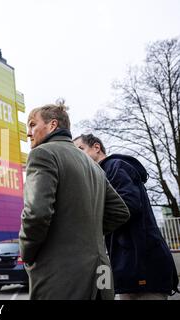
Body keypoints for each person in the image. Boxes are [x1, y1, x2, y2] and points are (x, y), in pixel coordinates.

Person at [19, 102, 130, 300]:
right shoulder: (94, 165)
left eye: (32, 124)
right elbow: (120, 212)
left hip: (62, 276)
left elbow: (36, 214)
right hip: (101, 275)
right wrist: (83, 234)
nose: (28, 132)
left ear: (52, 125)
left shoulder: (42, 154)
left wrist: (27, 254)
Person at [74, 133, 179, 300]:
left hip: (144, 264)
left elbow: (129, 205)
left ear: (96, 147)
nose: (78, 156)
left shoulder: (115, 166)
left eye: (80, 149)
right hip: (128, 267)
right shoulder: (101, 176)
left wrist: (92, 224)